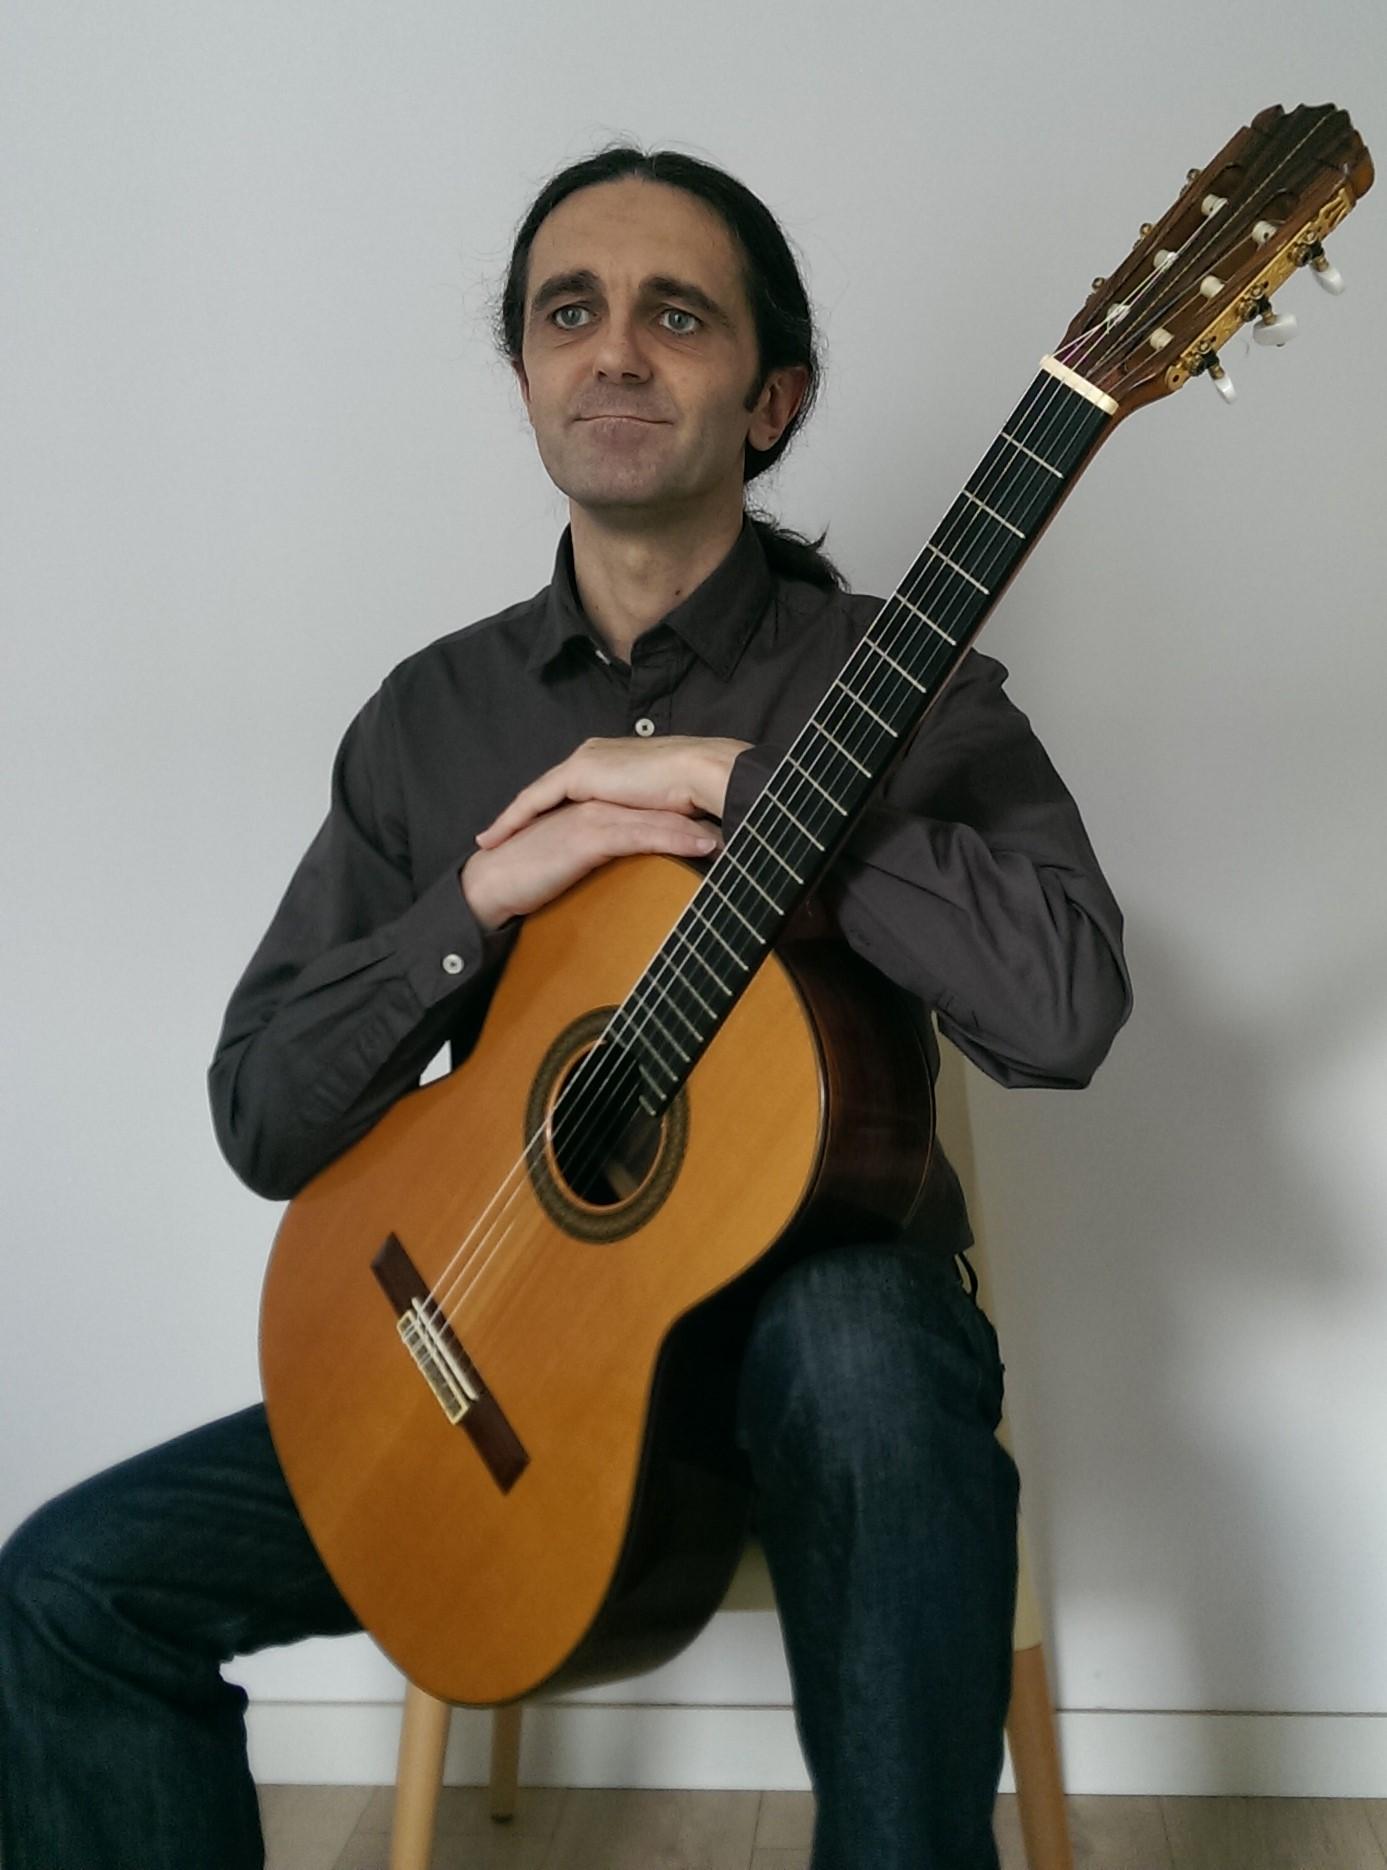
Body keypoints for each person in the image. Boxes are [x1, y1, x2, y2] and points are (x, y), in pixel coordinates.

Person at [0, 146, 1131, 1870]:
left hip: (842, 1386)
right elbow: (266, 1112)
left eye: (676, 316)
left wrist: (741, 782)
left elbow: (1063, 1011)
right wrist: (475, 902)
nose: (613, 349)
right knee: (68, 1591)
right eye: (568, 313)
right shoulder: (432, 719)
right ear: (526, 373)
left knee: (854, 1348)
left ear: (773, 398)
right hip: (515, 1364)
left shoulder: (901, 681)